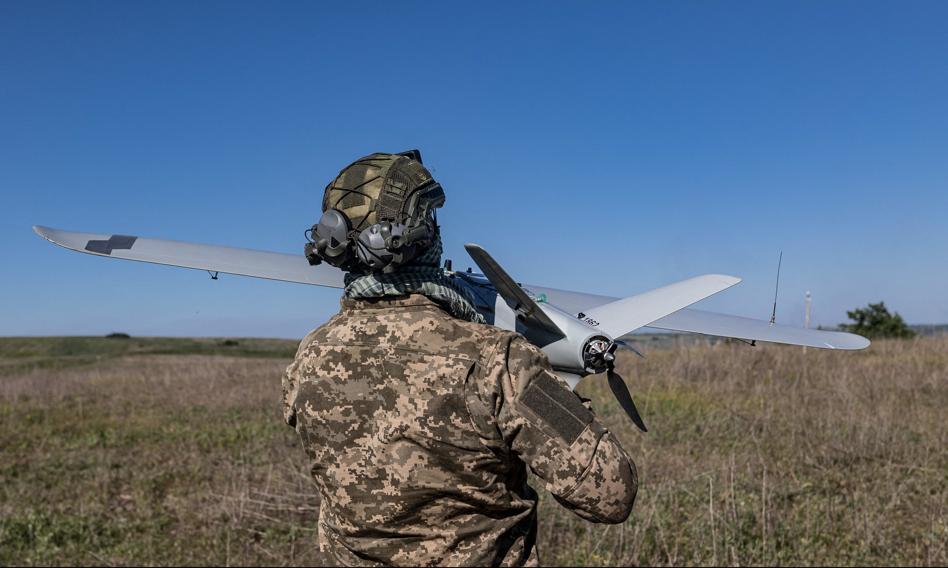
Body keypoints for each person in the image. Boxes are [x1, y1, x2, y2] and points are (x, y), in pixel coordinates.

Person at [282, 151, 638, 566]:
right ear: (421, 237)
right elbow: (612, 495)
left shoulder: (310, 354)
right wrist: (559, 400)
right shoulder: (499, 361)